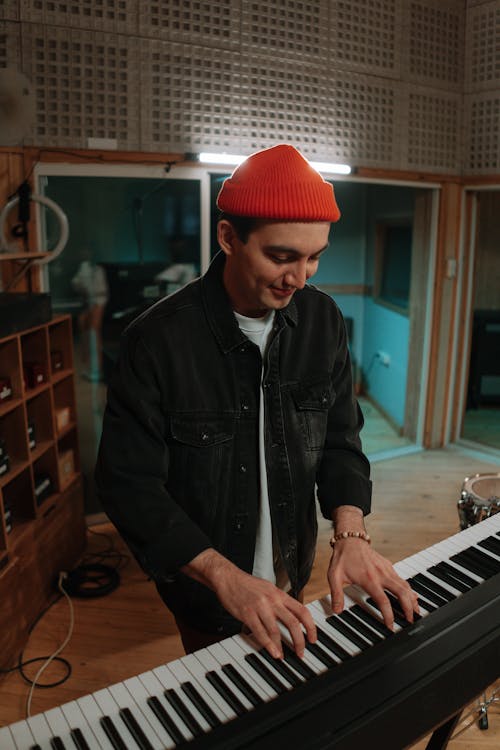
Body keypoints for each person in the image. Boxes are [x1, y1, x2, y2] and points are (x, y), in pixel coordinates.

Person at [95, 144, 418, 661]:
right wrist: (227, 577)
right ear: (228, 237)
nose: (300, 277)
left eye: (314, 257)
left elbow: (340, 440)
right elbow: (129, 485)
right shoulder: (156, 341)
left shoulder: (323, 321)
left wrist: (351, 534)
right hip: (207, 591)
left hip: (294, 569)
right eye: (281, 256)